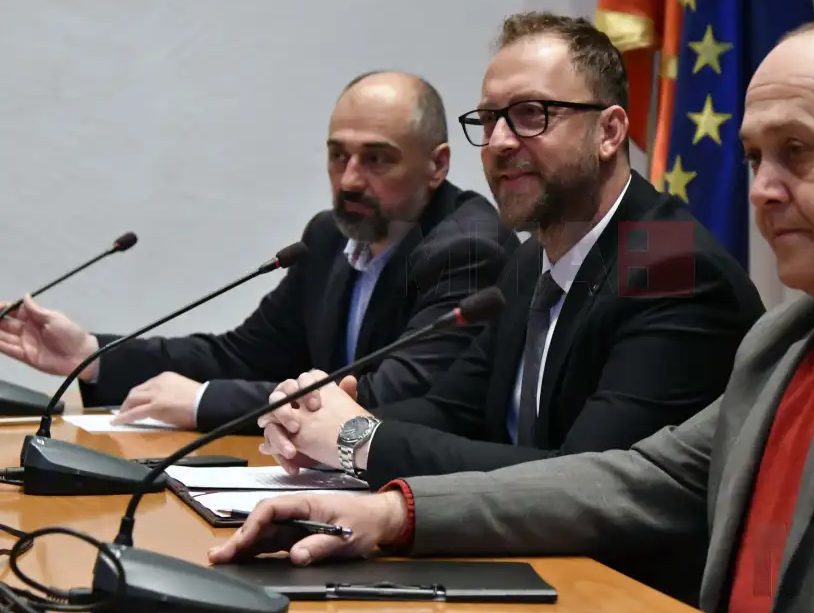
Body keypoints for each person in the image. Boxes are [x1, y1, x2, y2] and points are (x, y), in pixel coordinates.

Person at [211, 17, 814, 613]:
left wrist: (360, 444)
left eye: (797, 152)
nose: (764, 189)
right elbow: (632, 479)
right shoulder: (787, 340)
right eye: (753, 158)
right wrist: (392, 512)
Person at [254, 11, 763, 497]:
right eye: (489, 119)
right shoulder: (530, 260)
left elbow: (584, 482)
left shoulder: (674, 269)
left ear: (609, 132)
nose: (498, 142)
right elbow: (452, 410)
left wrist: (359, 441)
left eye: (529, 115)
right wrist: (320, 422)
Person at [0, 71, 518, 431]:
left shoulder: (466, 249)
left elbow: (389, 395)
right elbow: (243, 355)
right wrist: (92, 356)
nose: (349, 180)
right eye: (338, 155)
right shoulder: (330, 238)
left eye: (377, 159)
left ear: (437, 165)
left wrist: (205, 402)